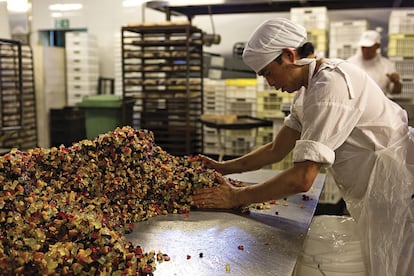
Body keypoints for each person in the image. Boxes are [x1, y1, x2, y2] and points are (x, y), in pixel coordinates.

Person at [192, 18, 414, 276]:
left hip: (400, 188)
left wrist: (236, 198)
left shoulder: (331, 86)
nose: (270, 84)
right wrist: (223, 167)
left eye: (268, 73)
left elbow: (302, 178)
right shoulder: (307, 91)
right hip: (377, 191)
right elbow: (277, 148)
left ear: (288, 55)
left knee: (401, 265)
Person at [347, 30, 402, 95]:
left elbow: (396, 91)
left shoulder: (386, 65)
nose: (365, 50)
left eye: (369, 47)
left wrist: (396, 82)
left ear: (377, 46)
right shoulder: (350, 64)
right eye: (363, 47)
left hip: (377, 104)